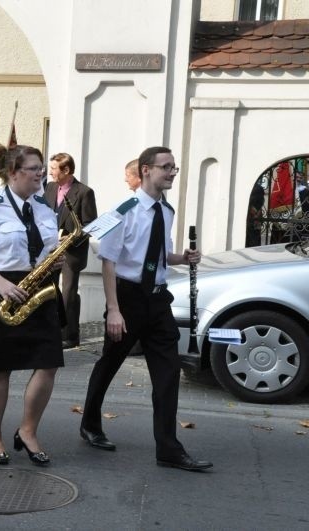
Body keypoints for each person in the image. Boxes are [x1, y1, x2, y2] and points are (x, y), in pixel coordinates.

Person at [80, 146, 213, 472]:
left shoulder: (165, 211)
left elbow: (158, 254)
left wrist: (182, 258)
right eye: (165, 167)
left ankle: (168, 448)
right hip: (127, 299)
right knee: (109, 363)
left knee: (167, 374)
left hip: (157, 300)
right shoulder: (123, 210)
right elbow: (108, 261)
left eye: (174, 168)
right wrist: (113, 310)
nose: (171, 172)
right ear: (145, 170)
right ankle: (90, 424)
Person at [0, 145, 63, 467]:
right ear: (13, 172)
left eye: (41, 167)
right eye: (34, 168)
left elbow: (48, 247)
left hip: (41, 286)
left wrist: (54, 260)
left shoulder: (45, 206)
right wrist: (0, 284)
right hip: (3, 288)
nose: (41, 173)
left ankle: (28, 430)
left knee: (47, 364)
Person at [44, 152, 97, 349]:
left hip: (71, 251)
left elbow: (91, 225)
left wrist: (72, 236)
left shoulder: (84, 192)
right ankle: (51, 330)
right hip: (51, 248)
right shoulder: (49, 187)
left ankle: (69, 336)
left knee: (68, 293)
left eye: (53, 169)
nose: (50, 173)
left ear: (66, 170)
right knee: (50, 290)